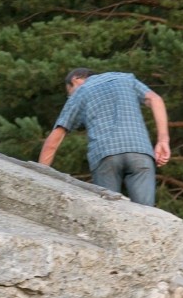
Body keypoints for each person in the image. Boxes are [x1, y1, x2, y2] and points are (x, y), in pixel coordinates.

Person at [38, 68, 170, 206]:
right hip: (139, 150)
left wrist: (41, 174)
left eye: (68, 93)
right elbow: (155, 99)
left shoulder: (81, 92)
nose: (70, 97)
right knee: (147, 214)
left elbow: (55, 138)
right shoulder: (125, 78)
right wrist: (163, 140)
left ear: (75, 80)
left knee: (109, 213)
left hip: (105, 156)